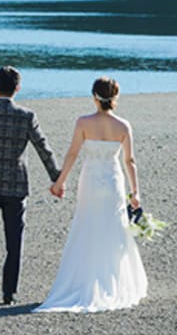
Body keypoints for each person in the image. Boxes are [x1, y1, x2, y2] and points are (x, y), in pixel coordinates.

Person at [35, 77, 148, 312]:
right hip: (113, 180)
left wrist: (60, 181)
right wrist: (135, 192)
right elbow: (130, 161)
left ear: (95, 97)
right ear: (114, 98)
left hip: (90, 180)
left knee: (87, 224)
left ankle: (82, 279)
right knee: (113, 228)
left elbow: (73, 154)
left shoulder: (83, 122)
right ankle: (112, 281)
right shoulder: (123, 126)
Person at [0, 66, 61, 305]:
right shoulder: (26, 116)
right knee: (14, 240)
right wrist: (56, 177)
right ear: (17, 88)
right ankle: (9, 293)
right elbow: (43, 148)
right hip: (15, 186)